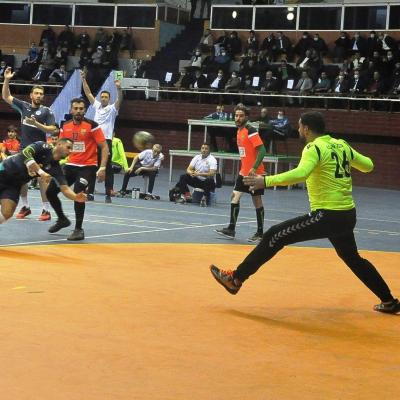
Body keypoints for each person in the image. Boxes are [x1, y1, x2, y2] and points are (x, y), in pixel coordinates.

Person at [210, 111, 400, 315]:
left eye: (300, 127)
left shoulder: (313, 147)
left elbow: (301, 173)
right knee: (354, 259)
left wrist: (265, 180)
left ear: (307, 129)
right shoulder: (341, 144)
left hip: (327, 215)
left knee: (274, 234)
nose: (298, 130)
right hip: (347, 214)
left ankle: (236, 279)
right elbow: (369, 166)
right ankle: (389, 301)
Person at [46, 98, 108, 241]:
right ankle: (62, 219)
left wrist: (103, 167)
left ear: (85, 110)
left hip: (88, 167)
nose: (78, 111)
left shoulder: (92, 125)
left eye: (81, 108)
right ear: (71, 110)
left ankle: (79, 229)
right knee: (50, 192)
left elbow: (104, 147)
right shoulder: (65, 126)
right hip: (70, 165)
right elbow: (60, 148)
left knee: (78, 193)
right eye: (76, 108)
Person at [2, 67, 58, 221]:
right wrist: (7, 79)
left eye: (41, 94)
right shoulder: (23, 106)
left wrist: (37, 124)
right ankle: (25, 206)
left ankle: (46, 210)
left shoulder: (47, 111)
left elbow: (53, 130)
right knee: (21, 178)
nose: (39, 96)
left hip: (40, 151)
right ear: (31, 95)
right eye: (37, 93)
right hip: (24, 149)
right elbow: (6, 96)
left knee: (42, 179)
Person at [0, 139, 86, 225]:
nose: (70, 151)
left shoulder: (56, 169)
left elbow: (65, 189)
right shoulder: (43, 146)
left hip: (14, 185)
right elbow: (25, 153)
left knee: (7, 212)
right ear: (59, 144)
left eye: (72, 149)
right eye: (68, 147)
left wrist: (75, 197)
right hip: (3, 172)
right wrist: (41, 172)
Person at [215, 104, 267, 243]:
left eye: (241, 116)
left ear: (246, 117)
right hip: (243, 172)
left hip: (255, 173)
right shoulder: (239, 131)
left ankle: (260, 233)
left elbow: (262, 151)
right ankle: (231, 229)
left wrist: (255, 168)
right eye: (236, 116)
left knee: (256, 201)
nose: (238, 118)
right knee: (235, 197)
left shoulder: (251, 130)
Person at [81, 70, 122, 203]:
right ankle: (91, 192)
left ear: (109, 99)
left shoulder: (112, 109)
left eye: (106, 97)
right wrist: (83, 79)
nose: (103, 98)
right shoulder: (97, 106)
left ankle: (108, 193)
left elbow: (120, 99)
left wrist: (119, 89)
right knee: (93, 166)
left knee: (107, 167)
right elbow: (88, 93)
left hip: (107, 141)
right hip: (94, 140)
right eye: (102, 96)